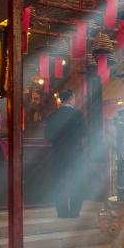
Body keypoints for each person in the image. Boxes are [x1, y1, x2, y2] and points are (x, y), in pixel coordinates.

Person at [43, 88, 86, 218]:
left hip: (59, 153)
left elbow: (47, 137)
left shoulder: (52, 116)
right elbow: (84, 133)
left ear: (61, 100)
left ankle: (62, 212)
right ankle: (74, 211)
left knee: (60, 182)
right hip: (75, 152)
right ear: (72, 98)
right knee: (76, 181)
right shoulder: (78, 114)